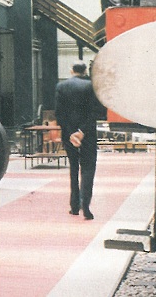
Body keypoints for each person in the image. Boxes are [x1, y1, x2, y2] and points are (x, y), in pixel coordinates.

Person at [55, 60, 104, 220]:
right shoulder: (91, 86)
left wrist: (71, 133)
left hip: (69, 134)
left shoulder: (61, 87)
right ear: (85, 71)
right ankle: (86, 205)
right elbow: (94, 112)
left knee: (74, 168)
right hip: (87, 134)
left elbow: (59, 114)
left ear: (71, 70)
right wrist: (82, 132)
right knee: (88, 168)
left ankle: (74, 206)